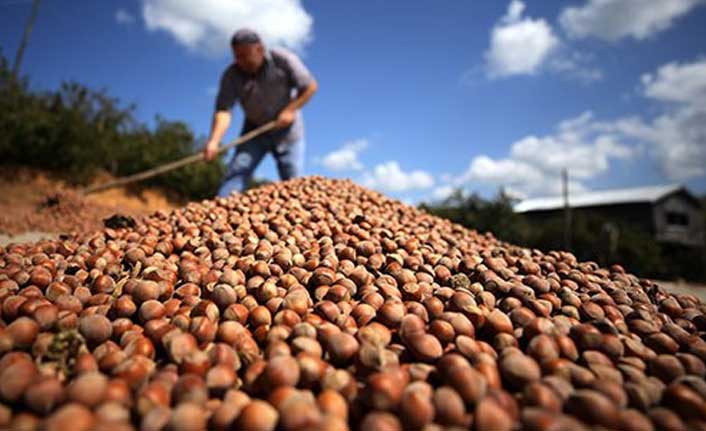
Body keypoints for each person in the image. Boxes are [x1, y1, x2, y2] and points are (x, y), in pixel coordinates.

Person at [204, 28, 318, 196]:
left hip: (288, 131)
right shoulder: (231, 76)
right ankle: (220, 209)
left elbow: (309, 86)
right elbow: (224, 111)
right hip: (255, 130)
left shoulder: (283, 59)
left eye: (245, 55)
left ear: (260, 49)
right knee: (236, 172)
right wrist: (214, 141)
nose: (240, 61)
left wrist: (290, 110)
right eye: (237, 56)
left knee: (293, 182)